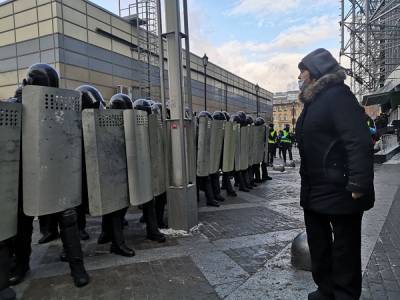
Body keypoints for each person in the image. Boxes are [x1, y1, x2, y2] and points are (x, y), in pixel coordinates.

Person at [296, 48, 374, 300]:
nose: (300, 76)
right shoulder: (313, 101)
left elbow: (358, 140)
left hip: (341, 188)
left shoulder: (338, 96)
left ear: (315, 71)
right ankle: (325, 290)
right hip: (315, 188)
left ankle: (344, 294)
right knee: (319, 247)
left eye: (302, 71)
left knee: (344, 250)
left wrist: (358, 183)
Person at [10, 64, 90, 288]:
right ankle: (22, 264)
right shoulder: (18, 104)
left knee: (67, 217)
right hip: (25, 173)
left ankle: (77, 266)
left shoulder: (62, 106)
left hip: (56, 170)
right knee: (23, 222)